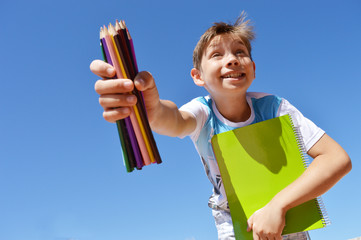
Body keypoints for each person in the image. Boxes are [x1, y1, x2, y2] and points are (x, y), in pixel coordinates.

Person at [90, 12, 351, 240]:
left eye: (240, 52)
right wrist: (153, 109)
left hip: (289, 220)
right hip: (235, 228)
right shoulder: (203, 112)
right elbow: (175, 120)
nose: (233, 60)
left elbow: (337, 158)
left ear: (253, 68)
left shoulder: (275, 108)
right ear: (197, 76)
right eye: (217, 55)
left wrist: (278, 206)